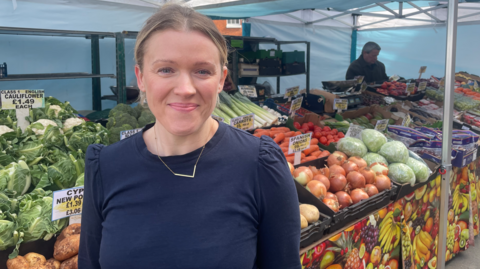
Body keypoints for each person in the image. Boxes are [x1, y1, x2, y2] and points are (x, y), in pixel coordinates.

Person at [78, 4, 301, 269]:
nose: (185, 89)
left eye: (203, 71)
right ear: (140, 78)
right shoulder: (106, 166)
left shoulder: (260, 165)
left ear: (222, 80)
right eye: (165, 70)